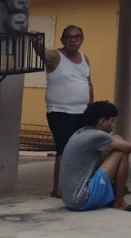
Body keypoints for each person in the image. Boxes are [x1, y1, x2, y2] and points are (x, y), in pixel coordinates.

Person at [32, 25, 94, 198]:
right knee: (64, 148)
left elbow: (88, 82)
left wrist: (91, 107)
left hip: (81, 111)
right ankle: (57, 188)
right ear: (62, 40)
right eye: (68, 37)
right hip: (60, 111)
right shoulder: (55, 56)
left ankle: (77, 183)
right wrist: (35, 40)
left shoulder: (84, 58)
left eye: (76, 36)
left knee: (82, 149)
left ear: (82, 39)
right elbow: (41, 51)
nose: (72, 40)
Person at [58, 100, 131, 212]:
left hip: (69, 199)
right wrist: (117, 140)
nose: (114, 125)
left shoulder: (81, 132)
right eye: (112, 121)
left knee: (110, 151)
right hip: (81, 199)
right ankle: (119, 202)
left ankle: (113, 193)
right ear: (102, 122)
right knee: (121, 153)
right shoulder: (98, 135)